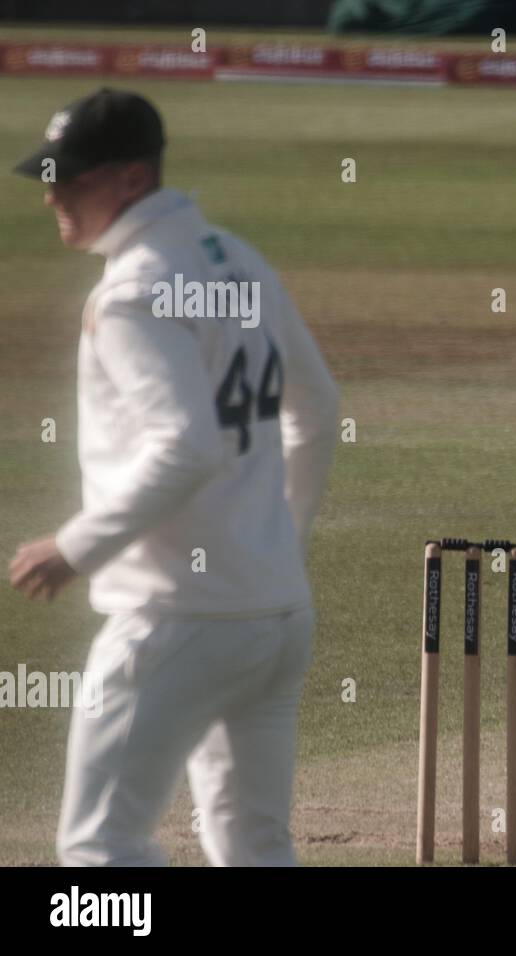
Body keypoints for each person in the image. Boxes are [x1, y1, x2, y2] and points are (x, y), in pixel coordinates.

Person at [7, 88, 340, 863]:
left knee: (97, 850)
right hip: (275, 615)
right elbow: (318, 408)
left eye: (69, 177)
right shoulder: (234, 257)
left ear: (129, 179)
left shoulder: (131, 290)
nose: (51, 193)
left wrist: (76, 545)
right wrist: (279, 542)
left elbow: (186, 444)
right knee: (255, 846)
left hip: (176, 618)